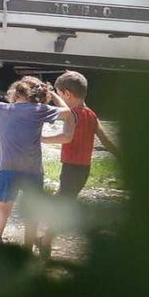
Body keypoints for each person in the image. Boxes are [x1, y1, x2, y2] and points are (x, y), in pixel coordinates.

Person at [0, 76, 74, 254]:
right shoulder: (40, 109)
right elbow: (67, 112)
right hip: (32, 169)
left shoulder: (1, 108)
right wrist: (53, 95)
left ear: (15, 93)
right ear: (38, 95)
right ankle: (28, 248)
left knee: (3, 207)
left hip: (8, 167)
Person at [41, 70, 119, 255]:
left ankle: (46, 241)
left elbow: (65, 136)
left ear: (67, 94)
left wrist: (42, 138)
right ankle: (46, 236)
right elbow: (106, 141)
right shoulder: (91, 114)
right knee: (63, 197)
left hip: (71, 169)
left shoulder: (72, 115)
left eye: (60, 95)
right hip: (84, 169)